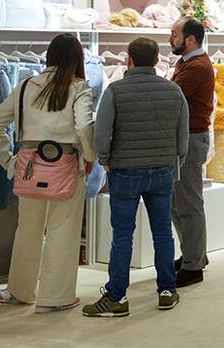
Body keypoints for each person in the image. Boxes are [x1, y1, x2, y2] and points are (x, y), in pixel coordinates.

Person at [0, 34, 97, 313]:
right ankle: (54, 298)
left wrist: (9, 161)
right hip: (67, 165)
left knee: (27, 230)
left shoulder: (25, 86)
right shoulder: (79, 87)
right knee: (63, 230)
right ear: (76, 59)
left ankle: (20, 291)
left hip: (28, 166)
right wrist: (91, 157)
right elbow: (84, 126)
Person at [85, 37, 188, 317]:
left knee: (122, 235)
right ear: (157, 60)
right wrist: (175, 160)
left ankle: (116, 297)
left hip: (126, 170)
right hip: (163, 170)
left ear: (128, 59)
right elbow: (183, 136)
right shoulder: (173, 90)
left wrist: (104, 160)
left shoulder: (116, 91)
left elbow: (101, 132)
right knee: (162, 232)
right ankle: (167, 290)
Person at [167, 16, 215, 288]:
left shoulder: (196, 66)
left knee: (188, 203)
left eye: (175, 34)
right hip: (186, 138)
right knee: (179, 203)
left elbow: (173, 97)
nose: (171, 38)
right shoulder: (187, 63)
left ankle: (193, 264)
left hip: (191, 139)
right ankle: (193, 256)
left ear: (191, 39)